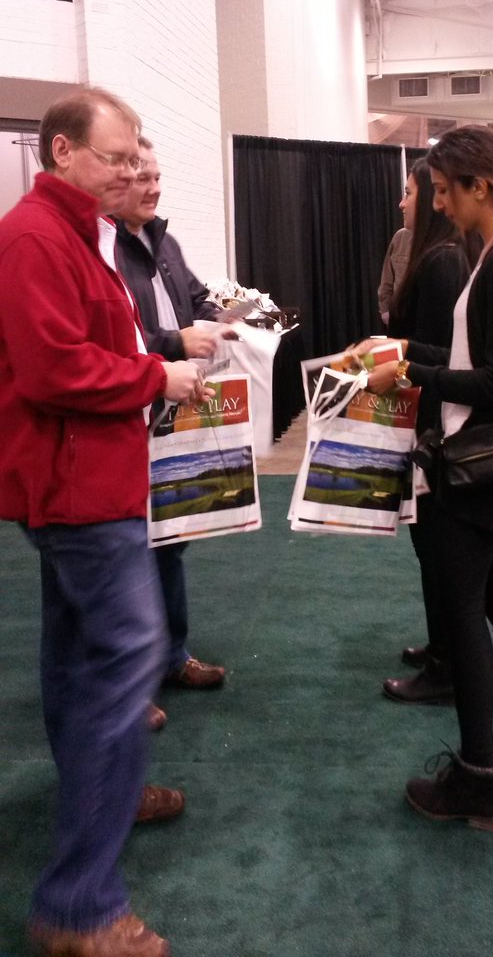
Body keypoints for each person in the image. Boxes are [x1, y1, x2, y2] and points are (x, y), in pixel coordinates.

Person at [0, 88, 210, 957]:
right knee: (127, 661)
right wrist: (154, 379)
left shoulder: (76, 235)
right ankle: (80, 904)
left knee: (79, 653)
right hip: (78, 489)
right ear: (61, 154)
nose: (133, 170)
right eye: (119, 156)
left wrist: (146, 366)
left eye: (136, 159)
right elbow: (55, 370)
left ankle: (107, 806)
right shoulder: (34, 239)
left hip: (91, 481)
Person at [362, 125, 493, 832]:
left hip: (474, 472)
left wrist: (410, 372)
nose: (437, 203)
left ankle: (478, 777)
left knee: (470, 614)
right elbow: (470, 349)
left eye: (446, 190)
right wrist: (393, 349)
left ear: (479, 186)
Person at [115, 137, 226, 703]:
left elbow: (198, 298)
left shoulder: (164, 241)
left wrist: (226, 322)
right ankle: (133, 684)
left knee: (171, 535)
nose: (154, 187)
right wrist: (174, 342)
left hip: (173, 406)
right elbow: (124, 340)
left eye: (157, 176)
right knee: (131, 548)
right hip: (129, 412)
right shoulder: (107, 249)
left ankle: (171, 655)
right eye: (142, 177)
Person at [380, 158, 470, 704]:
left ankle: (447, 664)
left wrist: (400, 355)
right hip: (428, 425)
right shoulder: (431, 257)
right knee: (427, 544)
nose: (408, 202)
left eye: (414, 192)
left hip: (437, 433)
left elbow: (448, 358)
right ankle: (443, 646)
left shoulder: (442, 263)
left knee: (436, 547)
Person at [377, 226, 412, 326]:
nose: (401, 208)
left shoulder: (441, 239)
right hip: (400, 319)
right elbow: (387, 278)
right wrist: (385, 312)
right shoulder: (400, 237)